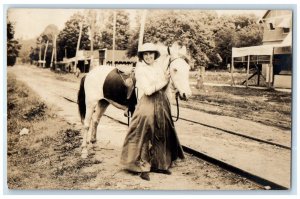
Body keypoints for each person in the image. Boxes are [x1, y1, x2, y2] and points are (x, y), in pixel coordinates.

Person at [120, 43, 185, 181]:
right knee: (145, 133)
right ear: (142, 56)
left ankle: (160, 164)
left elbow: (166, 81)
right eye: (145, 54)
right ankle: (143, 168)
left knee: (163, 131)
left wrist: (174, 85)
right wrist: (164, 81)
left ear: (155, 55)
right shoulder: (140, 69)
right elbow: (149, 90)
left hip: (162, 102)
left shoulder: (158, 66)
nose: (149, 56)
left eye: (151, 54)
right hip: (147, 103)